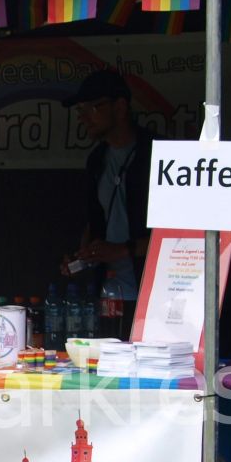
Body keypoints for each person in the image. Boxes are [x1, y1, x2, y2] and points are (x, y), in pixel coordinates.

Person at [60, 69, 157, 340]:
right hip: (110, 293)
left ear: (120, 107)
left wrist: (123, 249)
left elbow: (180, 236)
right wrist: (83, 256)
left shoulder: (158, 153)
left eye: (92, 107)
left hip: (157, 294)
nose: (83, 117)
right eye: (80, 110)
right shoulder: (97, 159)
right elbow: (97, 220)